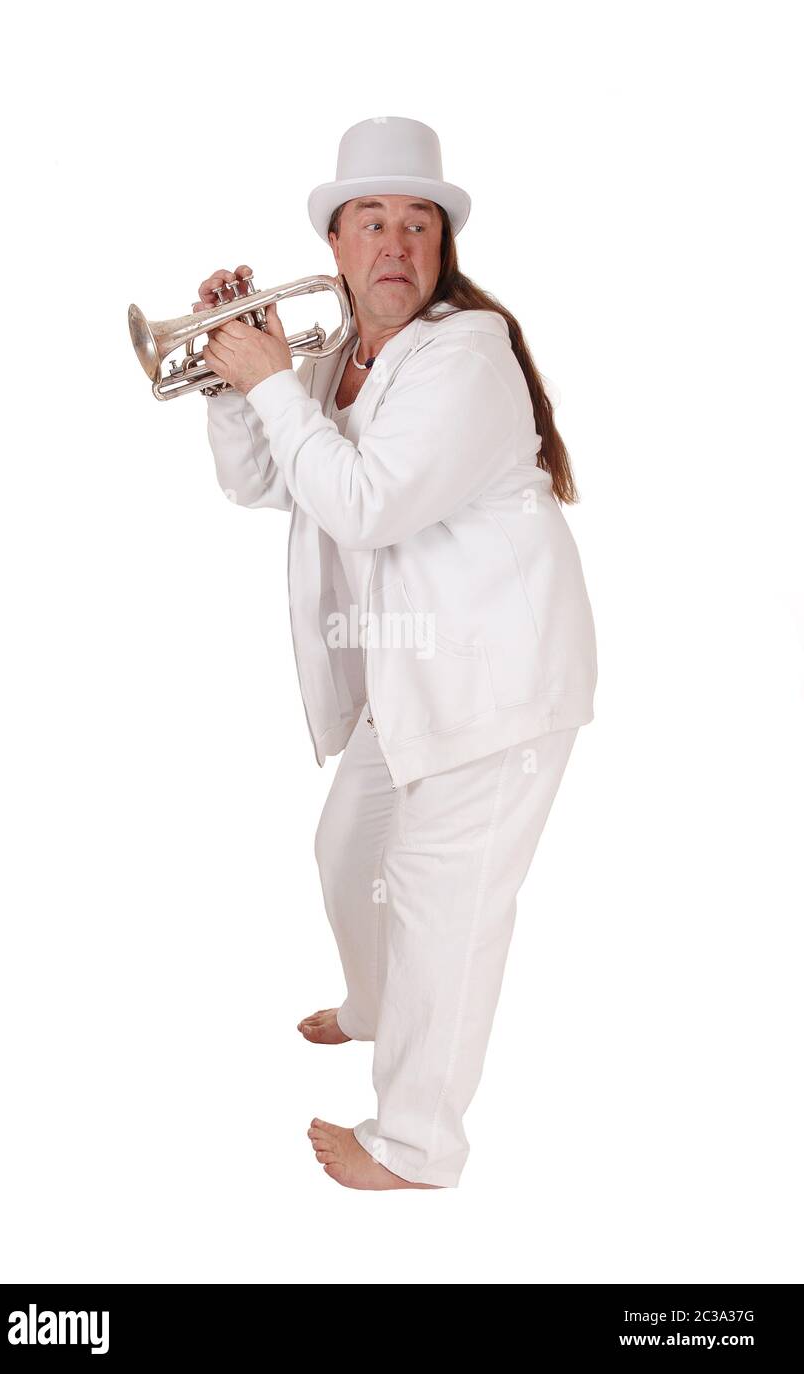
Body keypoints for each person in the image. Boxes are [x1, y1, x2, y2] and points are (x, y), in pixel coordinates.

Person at [197, 115, 598, 1190]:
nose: (395, 243)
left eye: (417, 223)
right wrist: (247, 376)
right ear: (335, 245)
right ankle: (376, 1005)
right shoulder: (343, 357)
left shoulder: (465, 354)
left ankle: (417, 1148)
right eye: (370, 220)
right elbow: (263, 480)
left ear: (440, 248)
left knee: (441, 901)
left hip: (497, 689)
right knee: (346, 848)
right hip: (418, 682)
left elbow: (363, 505)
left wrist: (274, 382)